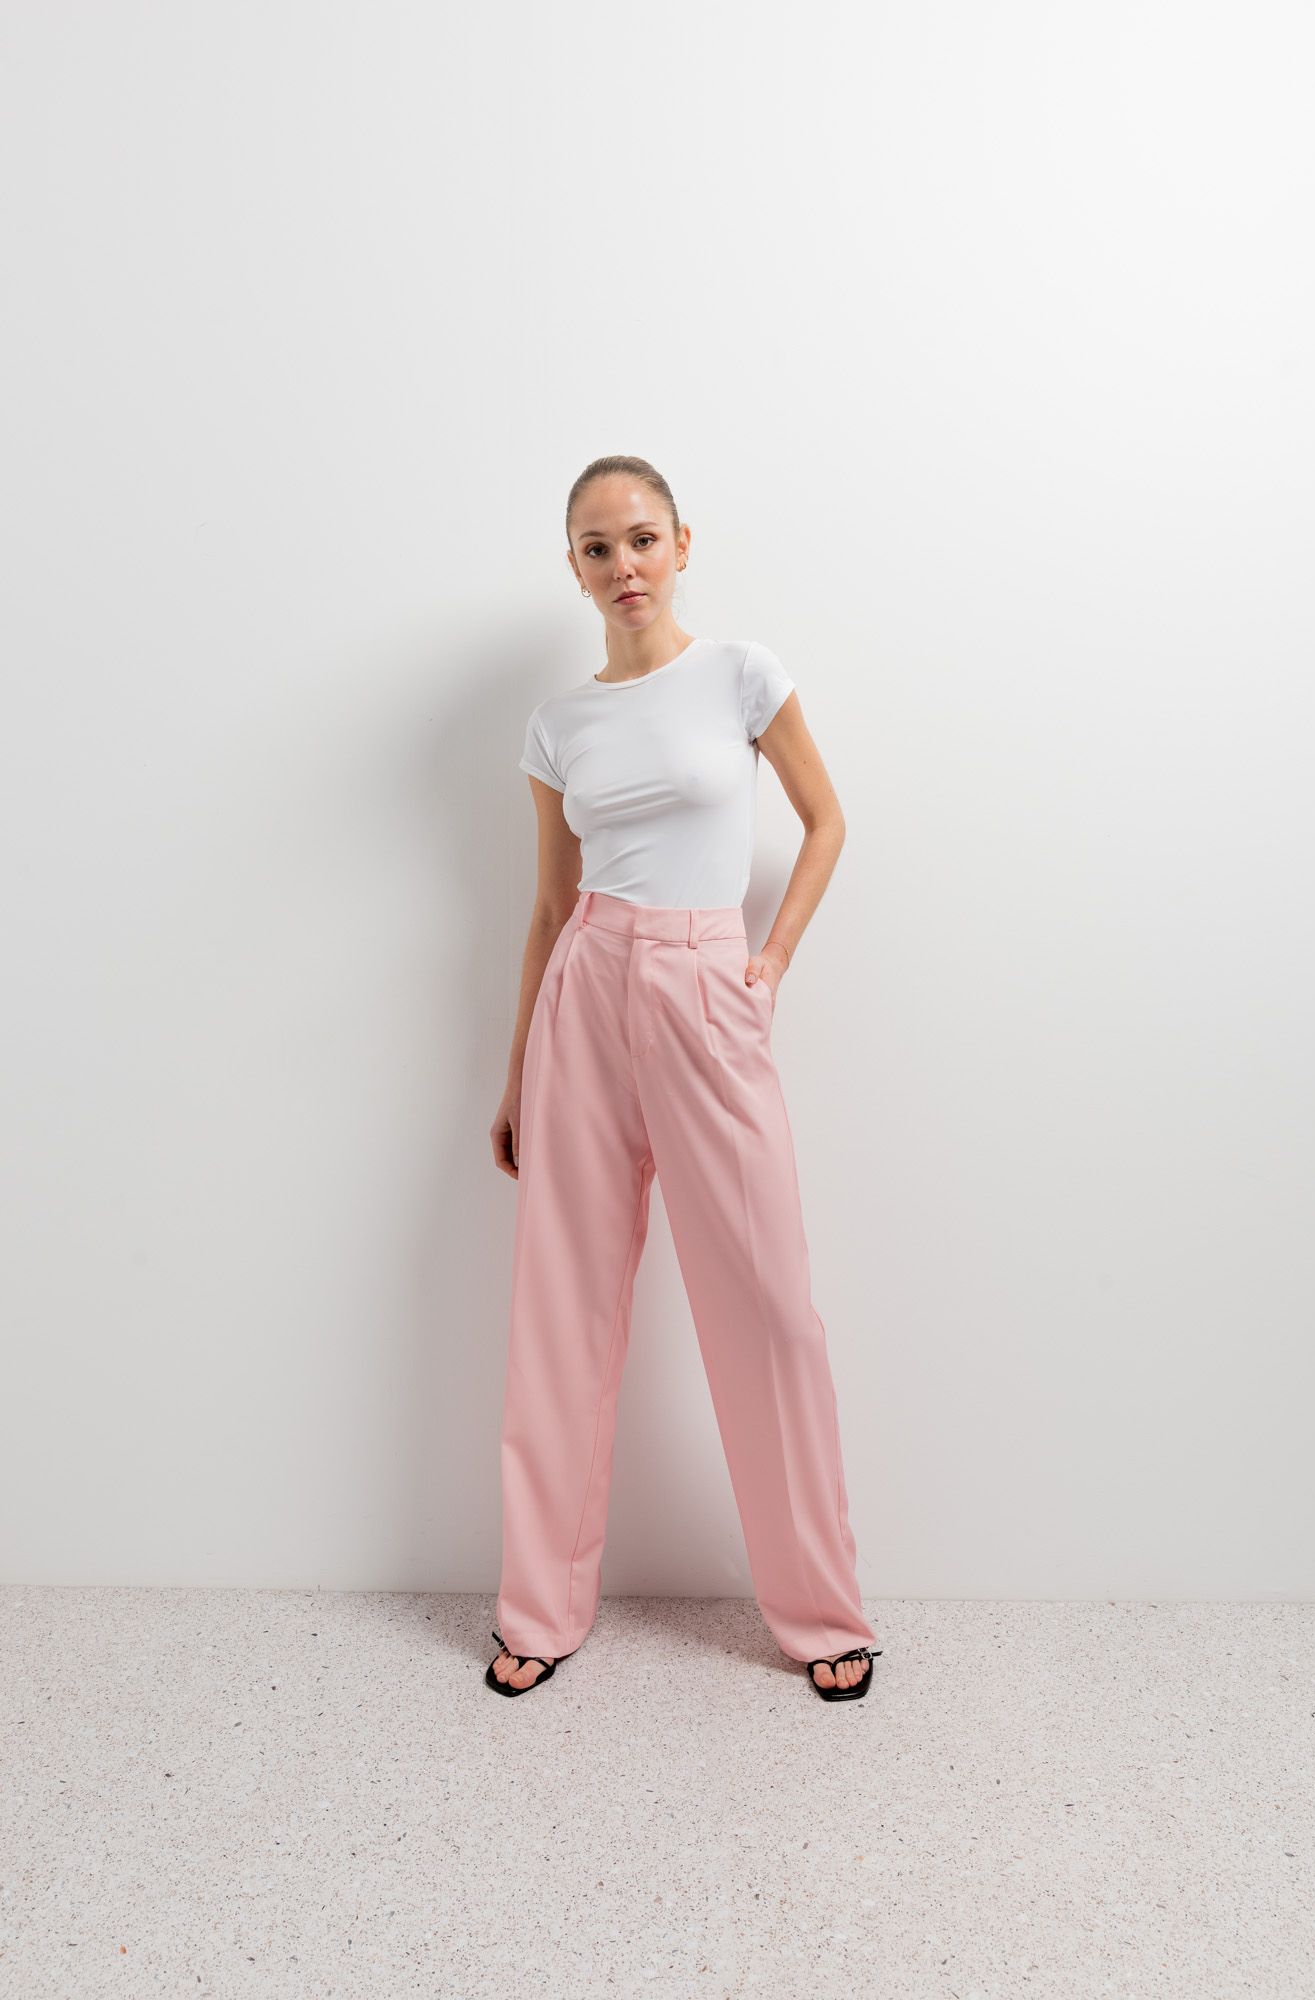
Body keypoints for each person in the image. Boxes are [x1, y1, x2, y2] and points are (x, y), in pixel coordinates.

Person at [486, 455, 882, 1704]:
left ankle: (820, 1610)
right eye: (598, 547)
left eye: (643, 538)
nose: (625, 565)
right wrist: (518, 1070)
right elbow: (549, 904)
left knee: (770, 1303)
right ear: (574, 567)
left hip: (709, 986)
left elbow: (826, 820)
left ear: (683, 543)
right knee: (564, 1310)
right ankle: (540, 1607)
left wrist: (769, 959)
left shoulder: (743, 675)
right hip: (587, 991)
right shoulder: (559, 724)